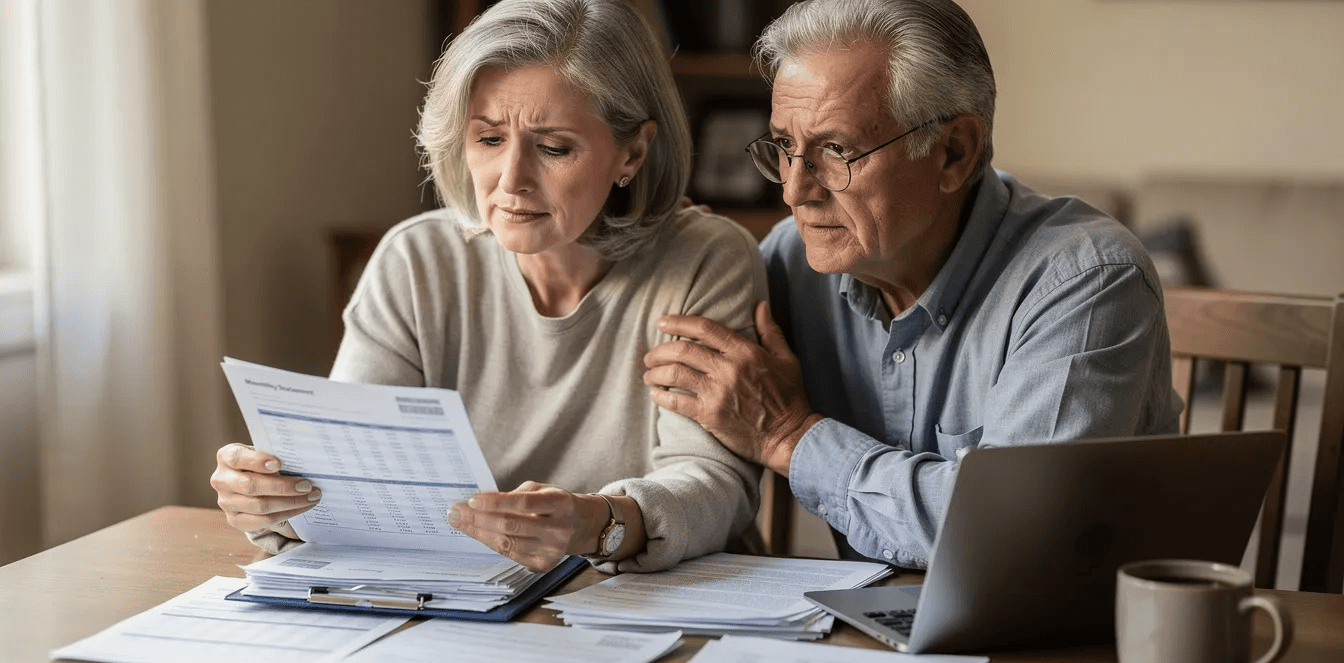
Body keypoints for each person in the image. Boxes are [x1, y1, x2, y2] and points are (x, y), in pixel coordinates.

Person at [211, 0, 766, 573]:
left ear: (633, 152)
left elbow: (716, 486)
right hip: (467, 593)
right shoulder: (415, 260)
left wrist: (598, 523)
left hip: (661, 601)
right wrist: (275, 503)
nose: (512, 180)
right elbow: (355, 480)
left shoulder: (707, 258)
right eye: (489, 139)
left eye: (554, 147)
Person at [643, 0, 1183, 568]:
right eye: (784, 147)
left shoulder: (1086, 281)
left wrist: (790, 436)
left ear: (953, 152)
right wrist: (681, 253)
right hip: (866, 618)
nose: (795, 191)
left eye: (837, 150)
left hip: (1062, 622)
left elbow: (1010, 536)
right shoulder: (789, 261)